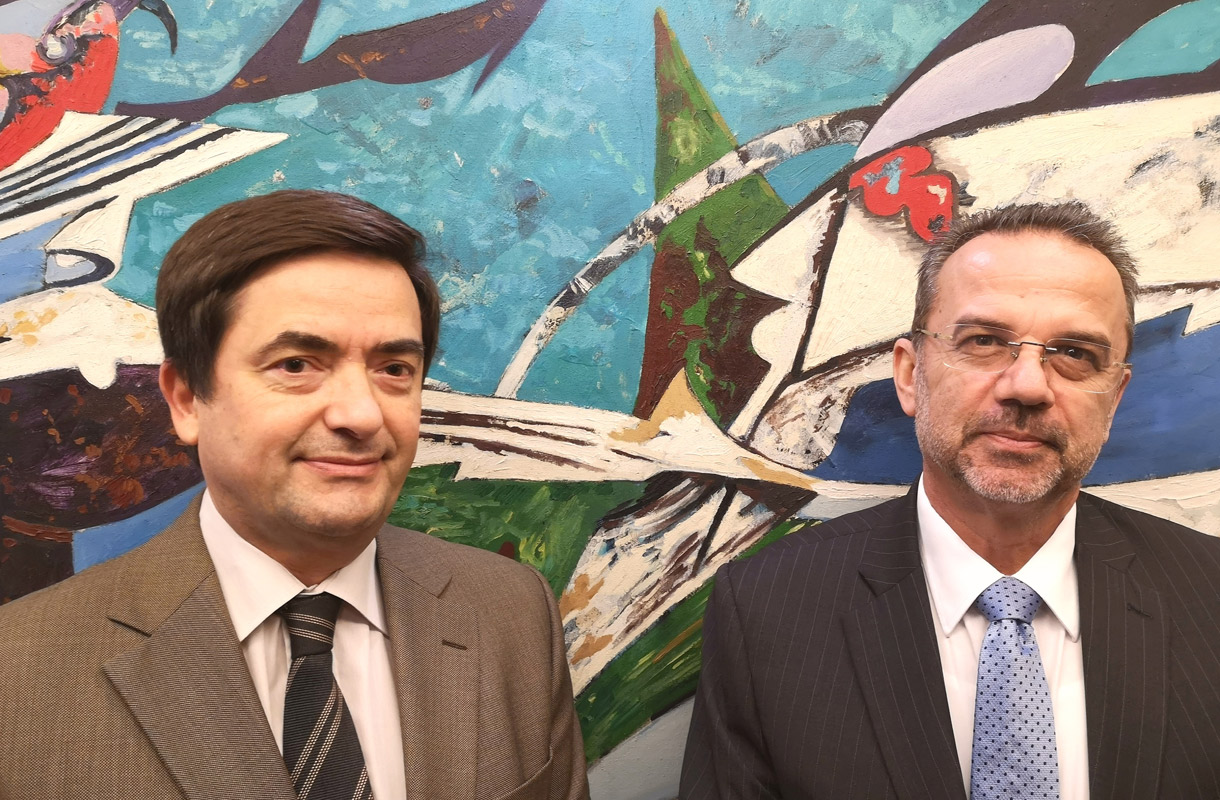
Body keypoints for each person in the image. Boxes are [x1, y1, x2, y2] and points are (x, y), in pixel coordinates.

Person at [0, 190, 589, 800]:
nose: (361, 415)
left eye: (394, 369)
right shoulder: (18, 674)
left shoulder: (511, 613)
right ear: (185, 399)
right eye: (296, 364)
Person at [680, 202, 1220, 799]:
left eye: (1074, 354)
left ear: (1113, 397)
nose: (1027, 386)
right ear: (910, 375)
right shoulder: (766, 611)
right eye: (984, 340)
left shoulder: (1209, 595)